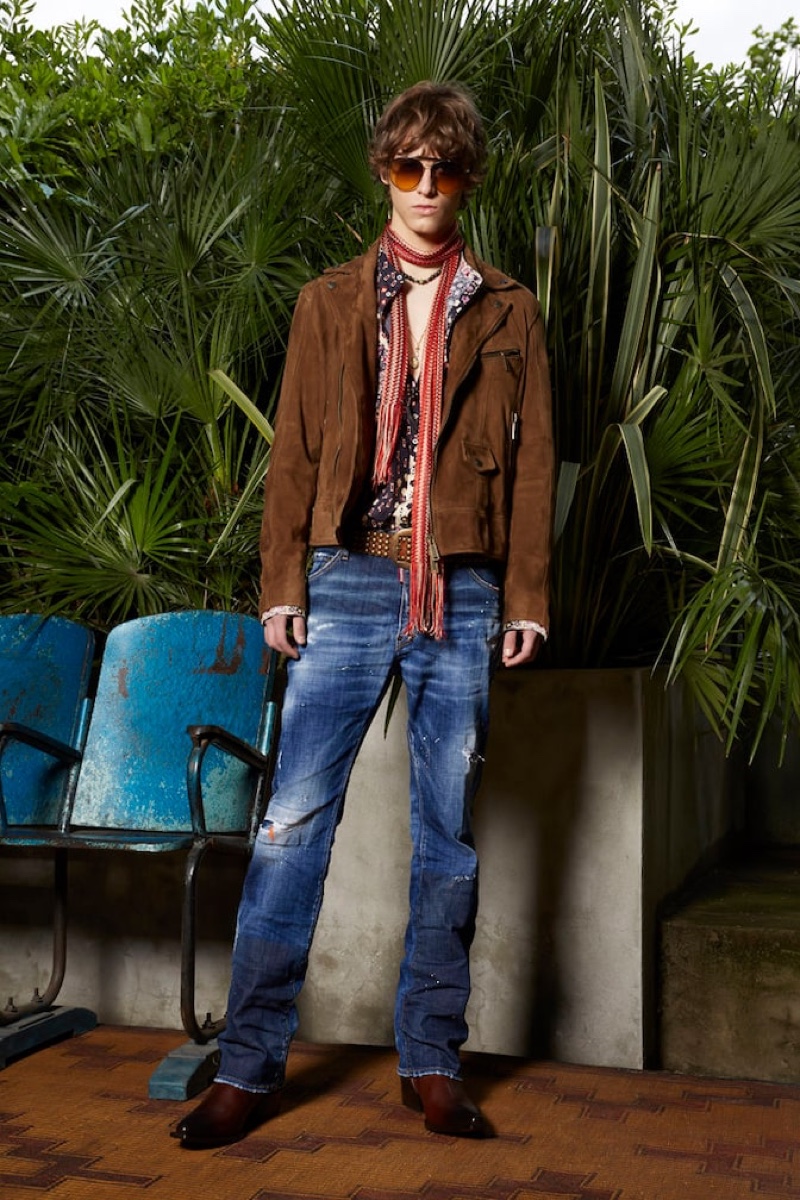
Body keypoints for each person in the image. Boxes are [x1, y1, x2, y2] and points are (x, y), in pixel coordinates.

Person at [172, 80, 553, 1149]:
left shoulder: (509, 308)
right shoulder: (327, 301)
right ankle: (246, 1069)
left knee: (448, 836)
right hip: (345, 579)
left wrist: (525, 596)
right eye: (407, 167)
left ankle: (431, 1060)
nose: (426, 186)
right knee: (292, 826)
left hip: (461, 587)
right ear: (385, 173)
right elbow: (292, 451)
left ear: (468, 179)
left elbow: (534, 465)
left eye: (446, 169)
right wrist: (281, 583)